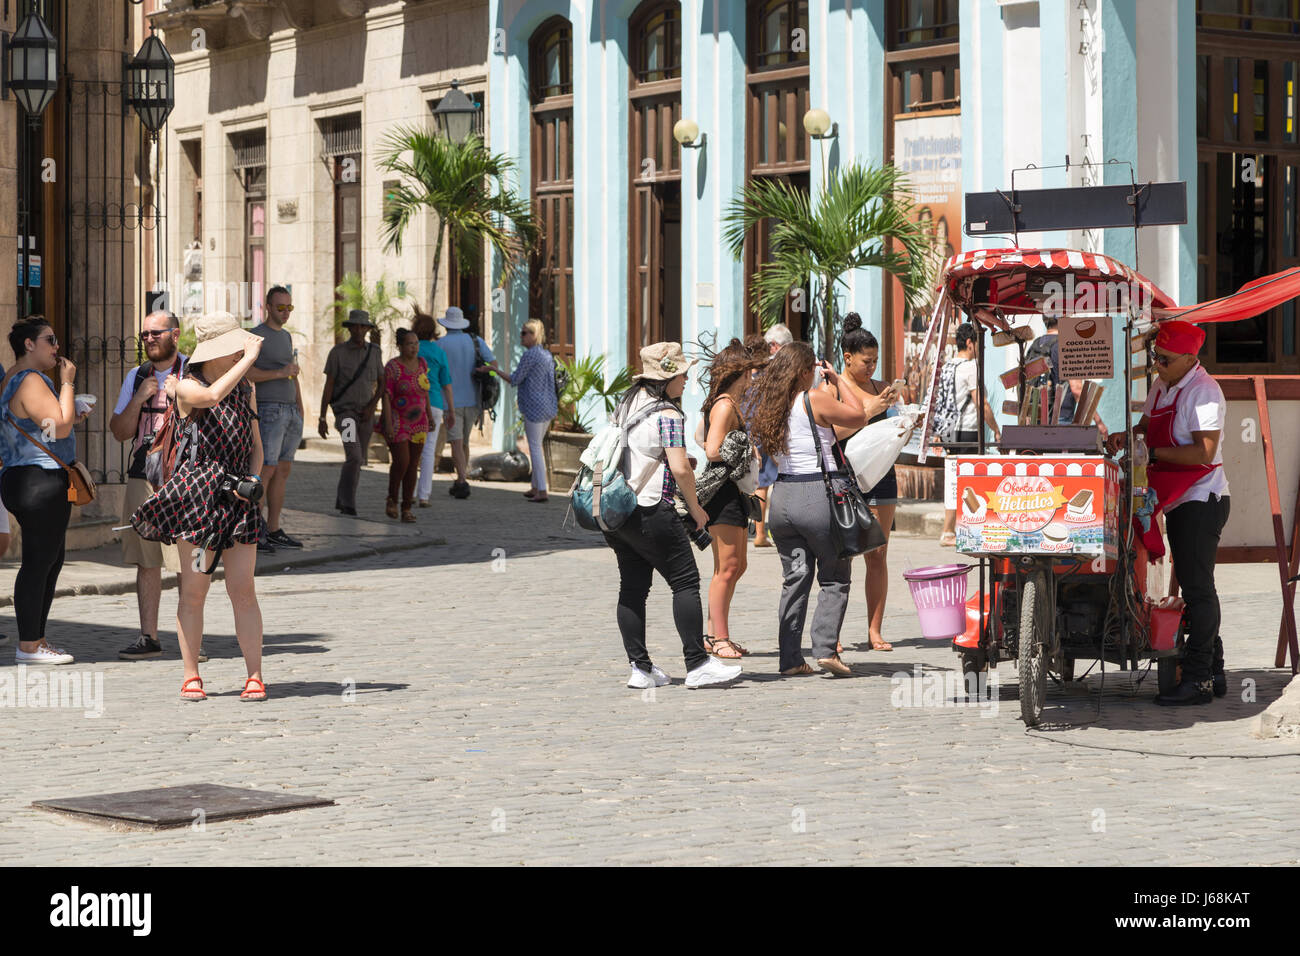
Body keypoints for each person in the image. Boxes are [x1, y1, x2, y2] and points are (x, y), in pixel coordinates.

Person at [130, 312, 268, 702]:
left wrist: (254, 479)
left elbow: (257, 445)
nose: (244, 349)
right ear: (219, 351)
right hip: (197, 503)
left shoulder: (245, 388)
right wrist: (247, 361)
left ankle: (254, 675)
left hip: (238, 501)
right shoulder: (186, 387)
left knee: (244, 590)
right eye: (237, 346)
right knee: (194, 591)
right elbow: (210, 397)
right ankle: (191, 675)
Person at [604, 342, 741, 690]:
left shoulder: (628, 403)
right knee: (685, 582)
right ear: (666, 379)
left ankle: (641, 668)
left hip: (619, 511)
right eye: (681, 374)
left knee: (633, 588)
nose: (685, 380)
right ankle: (697, 665)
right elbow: (680, 468)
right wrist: (696, 509)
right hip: (651, 509)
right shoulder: (668, 413)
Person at [1107, 320, 1229, 706]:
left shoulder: (1205, 392)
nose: (1157, 364)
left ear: (1191, 358)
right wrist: (1127, 438)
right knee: (1195, 586)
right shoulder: (1162, 385)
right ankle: (1215, 670)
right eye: (1155, 356)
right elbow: (1146, 427)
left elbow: (1204, 452)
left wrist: (1152, 454)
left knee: (1197, 589)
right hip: (1175, 495)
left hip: (1201, 497)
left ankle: (1198, 680)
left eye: (1166, 358)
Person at [749, 342, 867, 677]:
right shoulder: (812, 398)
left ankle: (790, 659)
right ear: (803, 371)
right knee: (834, 575)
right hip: (817, 493)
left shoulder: (771, 405)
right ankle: (826, 649)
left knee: (795, 578)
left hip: (783, 498)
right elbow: (858, 415)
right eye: (812, 369)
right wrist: (839, 380)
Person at [0, 317, 88, 664]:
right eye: (49, 340)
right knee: (40, 562)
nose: (56, 347)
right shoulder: (30, 379)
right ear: (28, 345)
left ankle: (36, 641)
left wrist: (70, 412)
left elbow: (49, 426)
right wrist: (67, 383)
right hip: (38, 479)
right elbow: (60, 428)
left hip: (26, 476)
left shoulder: (13, 377)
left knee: (48, 560)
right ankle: (30, 646)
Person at [109, 310, 188, 660]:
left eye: (156, 333)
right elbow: (119, 431)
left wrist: (179, 397)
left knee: (186, 560)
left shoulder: (194, 372)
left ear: (175, 334)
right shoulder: (136, 376)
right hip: (144, 472)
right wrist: (140, 397)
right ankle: (149, 637)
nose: (150, 339)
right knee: (147, 559)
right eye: (144, 335)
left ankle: (191, 637)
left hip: (186, 475)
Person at [834, 315, 902, 652]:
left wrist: (904, 425)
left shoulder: (882, 389)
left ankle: (875, 630)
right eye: (866, 361)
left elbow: (888, 434)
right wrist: (867, 411)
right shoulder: (832, 389)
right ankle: (833, 632)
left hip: (882, 478)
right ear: (848, 358)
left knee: (877, 554)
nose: (872, 367)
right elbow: (831, 435)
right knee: (842, 555)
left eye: (875, 361)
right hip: (844, 478)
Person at [697, 339, 764, 659]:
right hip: (722, 493)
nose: (751, 380)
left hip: (732, 492)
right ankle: (717, 636)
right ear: (738, 374)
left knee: (736, 565)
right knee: (728, 567)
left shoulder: (722, 403)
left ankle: (715, 633)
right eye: (749, 374)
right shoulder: (724, 404)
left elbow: (700, 434)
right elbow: (711, 448)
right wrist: (743, 448)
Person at [247, 285, 304, 553]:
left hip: (290, 410)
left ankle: (273, 528)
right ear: (267, 307)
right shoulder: (256, 336)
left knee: (283, 470)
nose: (285, 312)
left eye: (289, 307)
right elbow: (248, 374)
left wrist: (300, 406)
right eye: (280, 307)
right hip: (269, 409)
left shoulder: (288, 336)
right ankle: (254, 530)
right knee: (265, 470)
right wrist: (281, 373)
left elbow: (294, 374)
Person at [940, 322, 1001, 547]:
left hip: (949, 432)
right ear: (969, 342)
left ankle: (951, 530)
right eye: (978, 345)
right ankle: (954, 530)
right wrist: (995, 428)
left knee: (953, 480)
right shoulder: (969, 367)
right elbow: (981, 403)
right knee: (966, 482)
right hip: (967, 431)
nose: (980, 350)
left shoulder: (947, 367)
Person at [318, 309, 383, 517]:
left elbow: (382, 383)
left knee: (359, 459)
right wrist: (322, 417)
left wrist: (373, 406)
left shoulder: (374, 352)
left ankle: (344, 498)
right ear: (349, 328)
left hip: (366, 414)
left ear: (366, 329)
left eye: (362, 326)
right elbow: (329, 385)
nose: (358, 330)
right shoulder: (337, 353)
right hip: (345, 414)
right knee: (353, 456)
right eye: (354, 326)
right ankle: (348, 503)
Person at [489, 319, 557, 502]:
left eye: (525, 333)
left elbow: (515, 379)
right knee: (537, 446)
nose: (521, 336)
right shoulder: (546, 355)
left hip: (534, 406)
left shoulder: (531, 355)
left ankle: (542, 490)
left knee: (534, 447)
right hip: (548, 406)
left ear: (534, 335)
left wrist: (493, 370)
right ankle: (536, 487)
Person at [434, 306, 495, 500]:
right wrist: (480, 371)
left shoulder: (440, 345)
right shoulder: (475, 341)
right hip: (473, 399)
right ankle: (461, 476)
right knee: (464, 442)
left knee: (456, 442)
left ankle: (461, 480)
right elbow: (493, 365)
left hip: (449, 401)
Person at [381, 329, 435, 522]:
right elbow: (386, 395)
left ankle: (406, 508)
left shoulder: (422, 364)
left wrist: (429, 415)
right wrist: (387, 421)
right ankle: (392, 499)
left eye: (416, 343)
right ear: (401, 346)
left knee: (413, 464)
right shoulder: (392, 367)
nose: (414, 347)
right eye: (410, 344)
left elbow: (425, 391)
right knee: (402, 461)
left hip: (419, 421)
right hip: (398, 420)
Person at [1025, 315, 1109, 438]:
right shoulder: (1067, 345)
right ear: (1063, 319)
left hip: (1034, 418)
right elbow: (1077, 389)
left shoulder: (1035, 345)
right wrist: (1098, 422)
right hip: (1059, 420)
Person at [753, 326, 793, 546]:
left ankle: (761, 531)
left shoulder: (759, 368)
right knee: (765, 481)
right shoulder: (776, 368)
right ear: (776, 346)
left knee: (762, 481)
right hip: (768, 428)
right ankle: (761, 533)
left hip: (759, 427)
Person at [411, 311, 453, 507]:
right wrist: (451, 410)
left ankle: (409, 492)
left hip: (411, 404)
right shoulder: (439, 352)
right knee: (428, 451)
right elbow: (446, 384)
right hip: (435, 403)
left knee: (412, 450)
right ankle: (424, 495)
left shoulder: (411, 350)